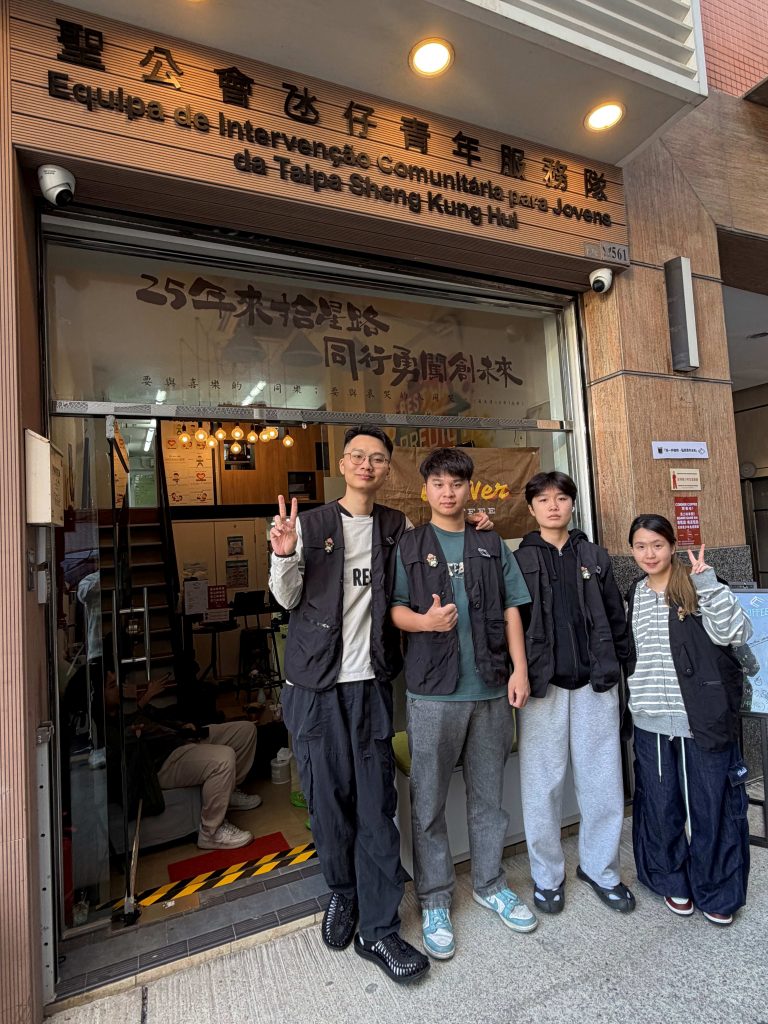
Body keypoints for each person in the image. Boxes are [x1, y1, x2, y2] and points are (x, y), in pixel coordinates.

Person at [269, 425, 430, 984]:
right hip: (315, 689)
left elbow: (423, 568)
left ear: (386, 469)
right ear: (342, 464)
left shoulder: (395, 526)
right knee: (326, 804)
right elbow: (286, 598)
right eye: (358, 456)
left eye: (377, 458)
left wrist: (475, 529)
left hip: (370, 688)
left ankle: (378, 930)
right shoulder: (310, 524)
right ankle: (342, 890)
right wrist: (284, 556)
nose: (367, 464)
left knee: (376, 809)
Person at [390, 447, 536, 962]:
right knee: (428, 802)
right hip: (432, 693)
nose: (448, 492)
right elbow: (394, 609)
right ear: (425, 490)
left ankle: (490, 883)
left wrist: (519, 669)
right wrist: (424, 622)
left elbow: (513, 607)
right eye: (439, 484)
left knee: (488, 798)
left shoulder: (490, 542)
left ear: (469, 489)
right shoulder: (410, 545)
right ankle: (434, 899)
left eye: (456, 483)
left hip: (491, 688)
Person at [513, 471, 635, 915]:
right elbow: (508, 623)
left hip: (596, 683)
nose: (553, 506)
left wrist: (626, 671)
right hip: (542, 688)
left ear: (572, 504)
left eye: (561, 498)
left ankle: (601, 869)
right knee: (541, 787)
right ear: (531, 508)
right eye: (543, 499)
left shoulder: (594, 556)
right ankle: (547, 877)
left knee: (602, 783)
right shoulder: (519, 560)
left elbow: (616, 619)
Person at [626, 515, 751, 925]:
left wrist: (709, 584)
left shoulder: (697, 585)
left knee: (712, 805)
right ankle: (671, 879)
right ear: (632, 550)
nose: (649, 554)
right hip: (650, 719)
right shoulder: (634, 593)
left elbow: (736, 633)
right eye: (641, 546)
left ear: (672, 546)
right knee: (661, 806)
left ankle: (717, 890)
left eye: (657, 545)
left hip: (701, 716)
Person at [105, 667, 262, 850]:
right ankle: (211, 832)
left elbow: (155, 720)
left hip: (179, 738)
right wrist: (144, 701)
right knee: (224, 758)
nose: (118, 689)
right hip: (164, 761)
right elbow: (130, 747)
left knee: (246, 730)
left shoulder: (122, 711)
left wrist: (179, 726)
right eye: (111, 686)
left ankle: (229, 793)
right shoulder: (105, 726)